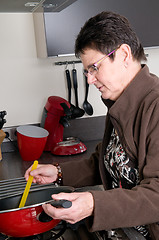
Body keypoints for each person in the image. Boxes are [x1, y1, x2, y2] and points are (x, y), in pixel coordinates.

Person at [25, 11, 159, 239]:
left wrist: (95, 204)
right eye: (86, 70)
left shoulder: (154, 106)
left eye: (94, 67)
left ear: (124, 54)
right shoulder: (119, 102)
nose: (89, 79)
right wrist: (58, 172)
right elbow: (105, 161)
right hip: (122, 229)